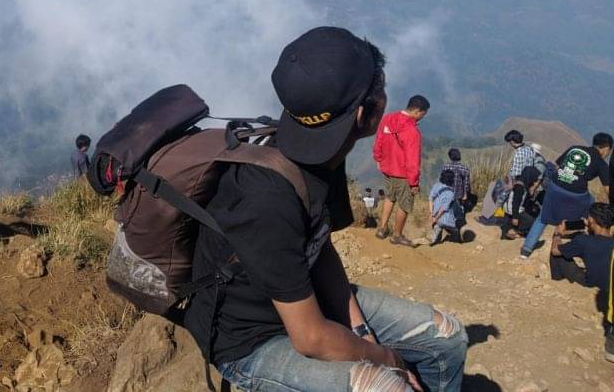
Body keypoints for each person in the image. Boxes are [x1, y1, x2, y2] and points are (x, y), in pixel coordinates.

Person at [184, 27, 467, 392]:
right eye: (378, 86)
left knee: (448, 337)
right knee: (385, 386)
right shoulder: (267, 196)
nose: (385, 94)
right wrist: (386, 358)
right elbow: (311, 338)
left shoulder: (322, 151)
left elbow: (320, 247)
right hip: (250, 341)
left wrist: (361, 331)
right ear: (364, 112)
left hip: (303, 303)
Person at [521, 133, 612, 259]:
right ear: (606, 148)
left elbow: (557, 167)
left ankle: (526, 250)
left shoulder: (575, 148)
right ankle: (588, 239)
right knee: (591, 212)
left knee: (543, 217)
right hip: (577, 193)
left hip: (555, 186)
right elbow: (609, 190)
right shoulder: (601, 164)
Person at [549, 203, 614, 363]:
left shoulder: (584, 241)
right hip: (609, 286)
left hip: (589, 283)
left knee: (558, 256)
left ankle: (556, 281)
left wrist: (558, 234)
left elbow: (555, 250)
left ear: (591, 220)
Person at [373, 94, 430, 246]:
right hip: (403, 174)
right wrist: (414, 183)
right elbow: (412, 160)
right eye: (423, 114)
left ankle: (382, 229)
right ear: (417, 111)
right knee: (404, 205)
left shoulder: (388, 119)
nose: (422, 117)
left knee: (389, 197)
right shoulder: (412, 131)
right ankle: (397, 235)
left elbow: (379, 139)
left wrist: (378, 158)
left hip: (387, 168)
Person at [501, 166, 542, 240]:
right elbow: (515, 203)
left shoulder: (520, 181)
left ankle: (510, 229)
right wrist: (515, 217)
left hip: (508, 208)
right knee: (531, 221)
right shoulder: (520, 187)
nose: (534, 181)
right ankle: (514, 231)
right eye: (534, 178)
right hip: (512, 209)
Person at [429, 169, 460, 245]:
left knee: (438, 228)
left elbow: (430, 199)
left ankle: (436, 236)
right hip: (444, 219)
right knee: (455, 231)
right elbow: (443, 209)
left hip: (435, 215)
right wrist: (436, 219)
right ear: (452, 179)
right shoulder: (451, 193)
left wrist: (432, 214)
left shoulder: (436, 185)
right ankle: (454, 239)